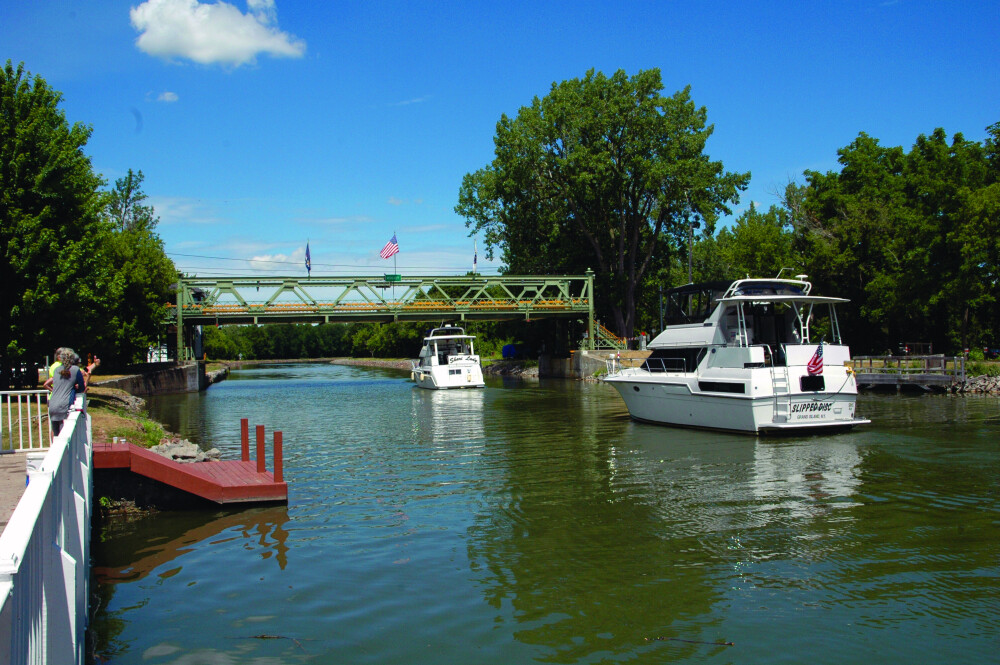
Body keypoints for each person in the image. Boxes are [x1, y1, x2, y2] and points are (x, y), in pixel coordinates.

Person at [43, 348, 86, 437]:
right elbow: (82, 387)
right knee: (64, 435)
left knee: (56, 434)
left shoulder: (56, 370)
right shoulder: (75, 369)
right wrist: (75, 389)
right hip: (65, 405)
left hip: (53, 404)